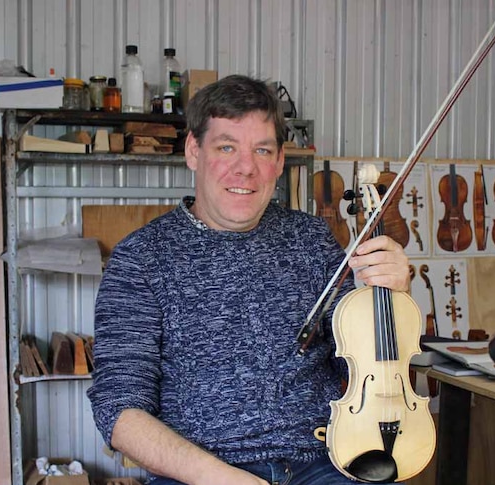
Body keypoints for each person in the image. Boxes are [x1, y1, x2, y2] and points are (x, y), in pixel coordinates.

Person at [87, 74, 411, 485]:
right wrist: (225, 479)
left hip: (327, 461)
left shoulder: (310, 238)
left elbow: (370, 358)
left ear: (279, 161)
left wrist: (392, 295)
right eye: (226, 147)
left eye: (262, 150)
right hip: (200, 473)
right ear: (193, 151)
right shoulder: (142, 258)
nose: (246, 168)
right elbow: (118, 409)